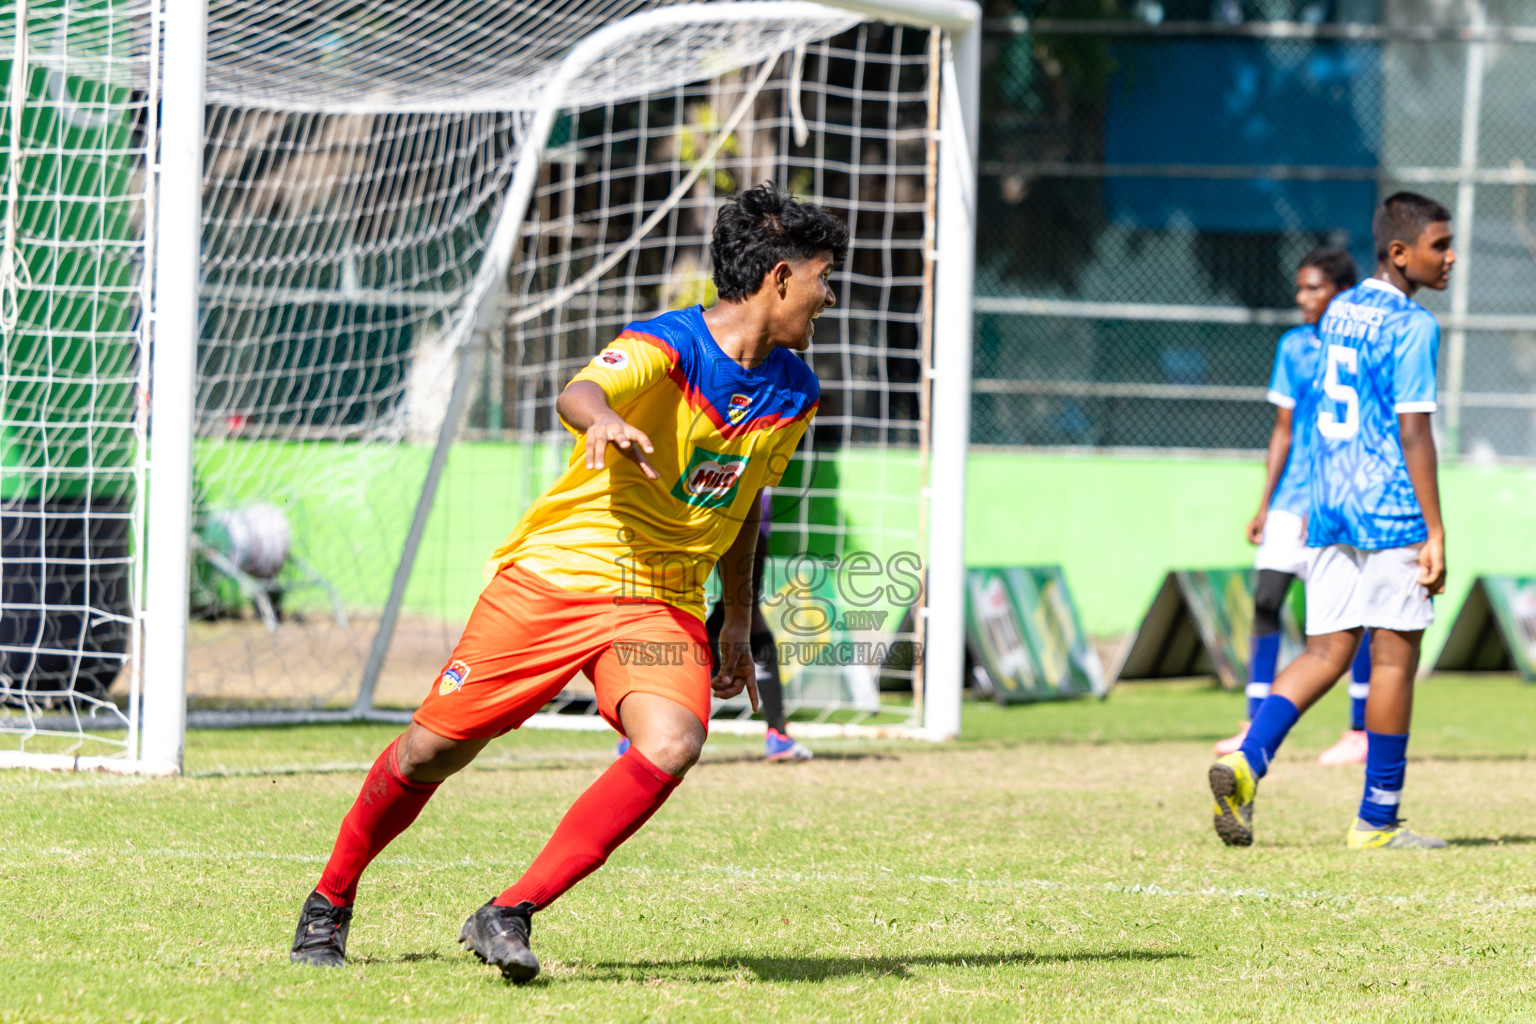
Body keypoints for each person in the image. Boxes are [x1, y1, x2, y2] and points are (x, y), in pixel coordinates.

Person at [289, 183, 845, 981]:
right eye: (826, 277)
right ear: (782, 277)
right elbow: (580, 391)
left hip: (659, 602)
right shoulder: (670, 343)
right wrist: (605, 421)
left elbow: (742, 501)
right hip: (559, 578)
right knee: (428, 753)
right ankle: (331, 899)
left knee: (674, 741)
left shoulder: (797, 391)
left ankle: (507, 911)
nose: (830, 297)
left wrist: (733, 624)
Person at [1209, 192, 1454, 850]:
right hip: (1388, 511)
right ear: (1399, 253)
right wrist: (1434, 529)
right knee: (1395, 660)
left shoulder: (1340, 312)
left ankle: (1247, 760)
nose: (1451, 257)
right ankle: (1377, 819)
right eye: (1440, 245)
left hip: (1327, 506)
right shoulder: (1414, 326)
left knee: (1325, 652)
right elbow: (1413, 430)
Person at [1214, 247, 1374, 766]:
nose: (1303, 298)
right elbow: (1282, 431)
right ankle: (1252, 722)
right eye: (1300, 288)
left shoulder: (1362, 349)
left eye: (1314, 288)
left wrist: (1336, 496)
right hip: (1290, 500)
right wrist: (1264, 503)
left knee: (1357, 620)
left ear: (1342, 293)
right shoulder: (1294, 347)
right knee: (1266, 601)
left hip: (1338, 503)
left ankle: (1359, 729)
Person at [619, 489, 813, 761]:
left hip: (731, 501)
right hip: (698, 501)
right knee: (678, 603)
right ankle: (640, 727)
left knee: (737, 609)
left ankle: (638, 730)